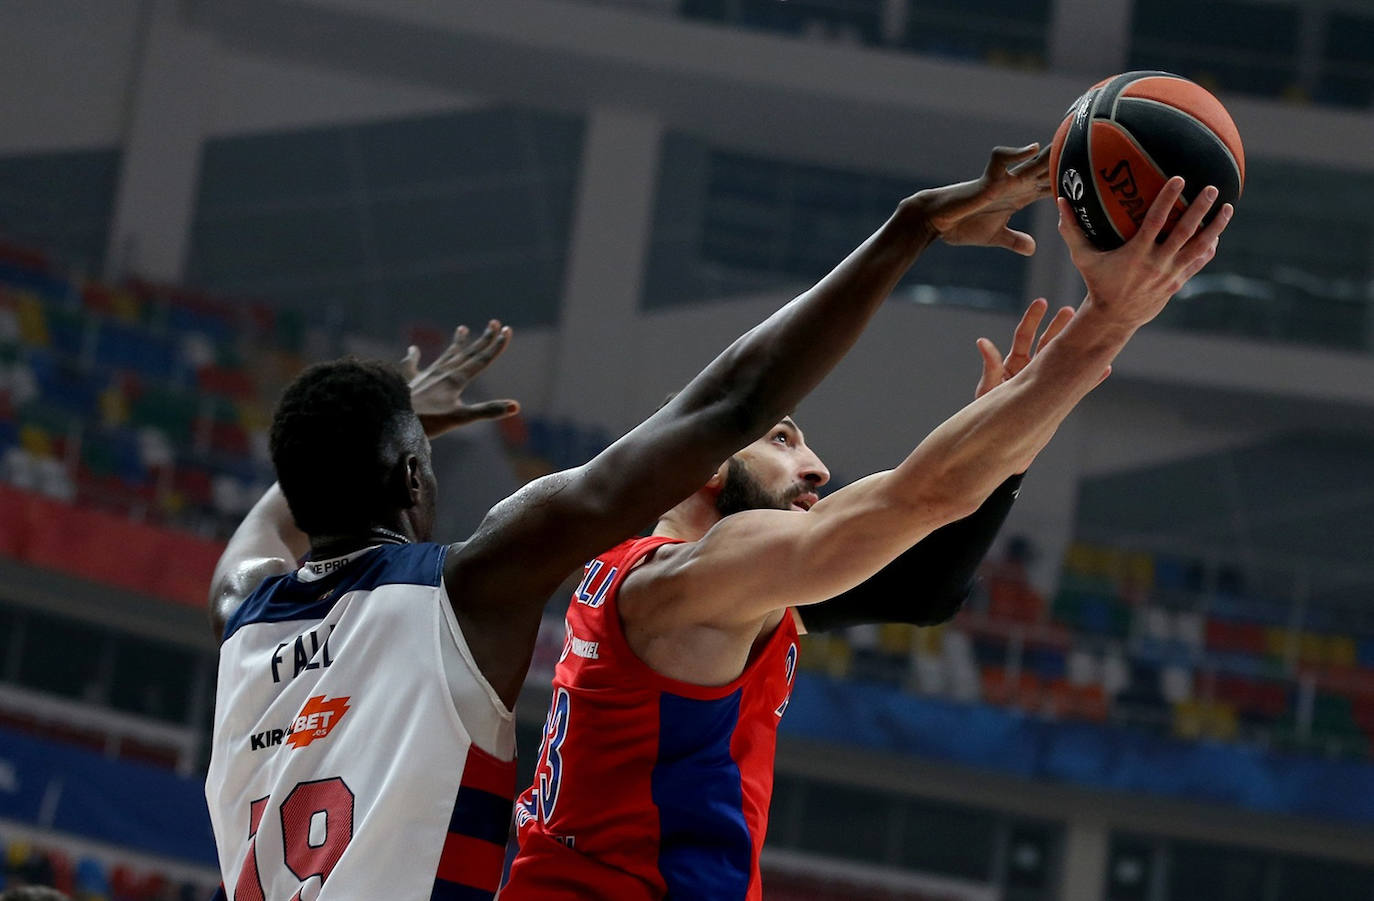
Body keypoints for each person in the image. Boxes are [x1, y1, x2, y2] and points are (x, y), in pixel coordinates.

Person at [203, 144, 1053, 901]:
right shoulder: (465, 592)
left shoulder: (241, 615)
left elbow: (261, 535)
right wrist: (912, 227)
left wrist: (377, 433)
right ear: (414, 474)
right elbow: (732, 403)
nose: (816, 466)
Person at [503, 179, 1232, 900]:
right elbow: (920, 494)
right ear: (707, 465)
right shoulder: (693, 581)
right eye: (783, 438)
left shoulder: (710, 595)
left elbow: (923, 586)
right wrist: (1113, 316)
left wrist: (1014, 430)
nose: (815, 466)